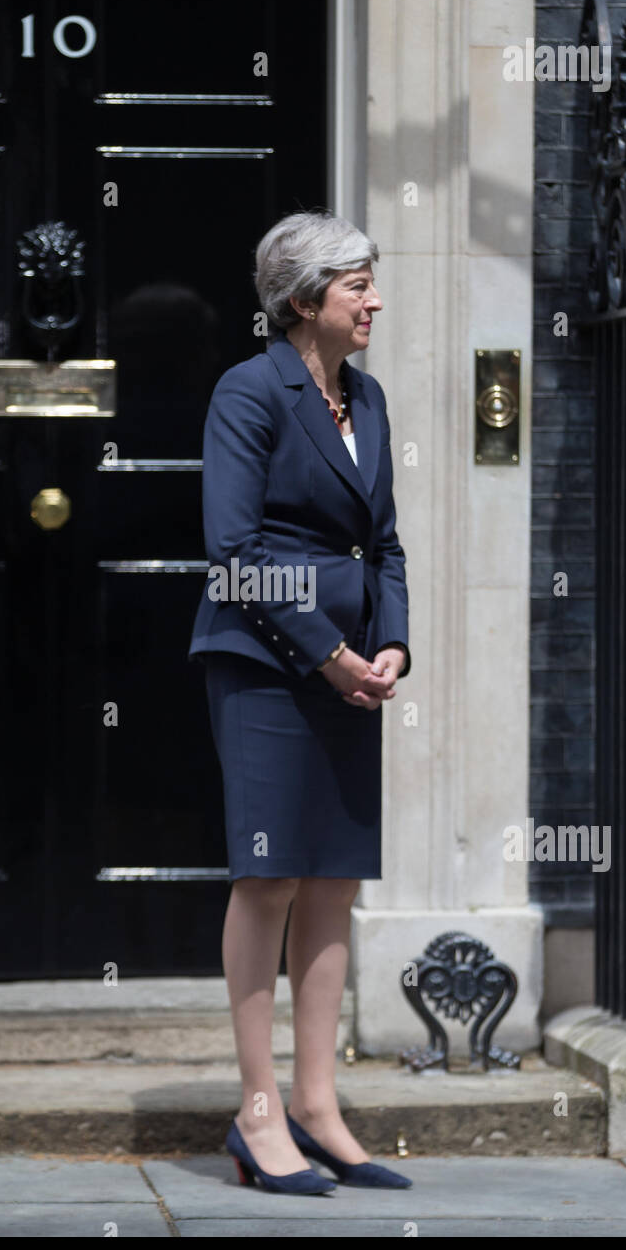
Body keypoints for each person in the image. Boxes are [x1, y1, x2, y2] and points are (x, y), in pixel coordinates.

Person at [188, 209, 412, 1195]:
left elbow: (386, 543)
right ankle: (257, 1110)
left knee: (331, 877)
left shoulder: (365, 398)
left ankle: (318, 1103)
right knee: (269, 878)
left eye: (370, 280)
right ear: (301, 300)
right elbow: (233, 555)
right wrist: (327, 653)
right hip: (265, 663)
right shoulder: (249, 392)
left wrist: (392, 643)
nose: (372, 299)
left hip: (352, 667)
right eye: (355, 284)